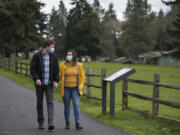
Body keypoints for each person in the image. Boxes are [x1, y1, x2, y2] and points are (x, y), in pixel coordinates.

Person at [30, 40, 59, 131]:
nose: (53, 48)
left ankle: (51, 122)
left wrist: (55, 81)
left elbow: (56, 70)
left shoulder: (54, 57)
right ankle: (41, 122)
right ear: (47, 47)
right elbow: (33, 68)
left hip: (49, 84)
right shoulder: (37, 55)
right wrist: (36, 79)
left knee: (50, 102)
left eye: (53, 47)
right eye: (52, 47)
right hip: (40, 84)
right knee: (39, 102)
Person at [59, 50, 85, 130]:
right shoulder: (62, 65)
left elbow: (82, 77)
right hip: (66, 88)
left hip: (75, 89)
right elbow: (59, 76)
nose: (68, 56)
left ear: (74, 56)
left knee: (76, 105)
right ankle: (67, 123)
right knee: (67, 106)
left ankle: (77, 123)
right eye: (67, 54)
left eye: (70, 54)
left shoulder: (78, 65)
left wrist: (81, 85)